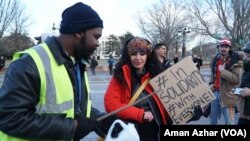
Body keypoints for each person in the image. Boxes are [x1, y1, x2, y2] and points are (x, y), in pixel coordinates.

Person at [0, 2, 115, 141]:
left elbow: (76, 108)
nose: (98, 43)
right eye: (96, 36)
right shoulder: (29, 63)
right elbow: (10, 118)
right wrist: (73, 127)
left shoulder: (77, 63)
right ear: (79, 32)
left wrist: (102, 120)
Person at [104, 37, 202, 141]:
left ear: (148, 55)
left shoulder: (159, 74)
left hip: (156, 130)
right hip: (131, 131)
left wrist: (188, 114)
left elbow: (170, 105)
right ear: (128, 55)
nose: (138, 58)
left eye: (142, 54)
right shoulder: (120, 75)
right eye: (133, 54)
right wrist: (140, 114)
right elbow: (110, 103)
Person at [209, 39, 243, 125]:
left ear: (229, 48)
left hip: (229, 96)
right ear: (218, 47)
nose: (223, 48)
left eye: (226, 46)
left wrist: (223, 71)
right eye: (221, 46)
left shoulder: (236, 61)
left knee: (229, 123)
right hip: (215, 93)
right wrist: (211, 83)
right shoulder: (215, 59)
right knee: (213, 121)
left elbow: (237, 80)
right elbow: (212, 73)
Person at [236, 41, 250, 124]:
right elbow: (242, 85)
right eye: (246, 51)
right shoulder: (245, 67)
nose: (247, 53)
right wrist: (236, 90)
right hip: (244, 112)